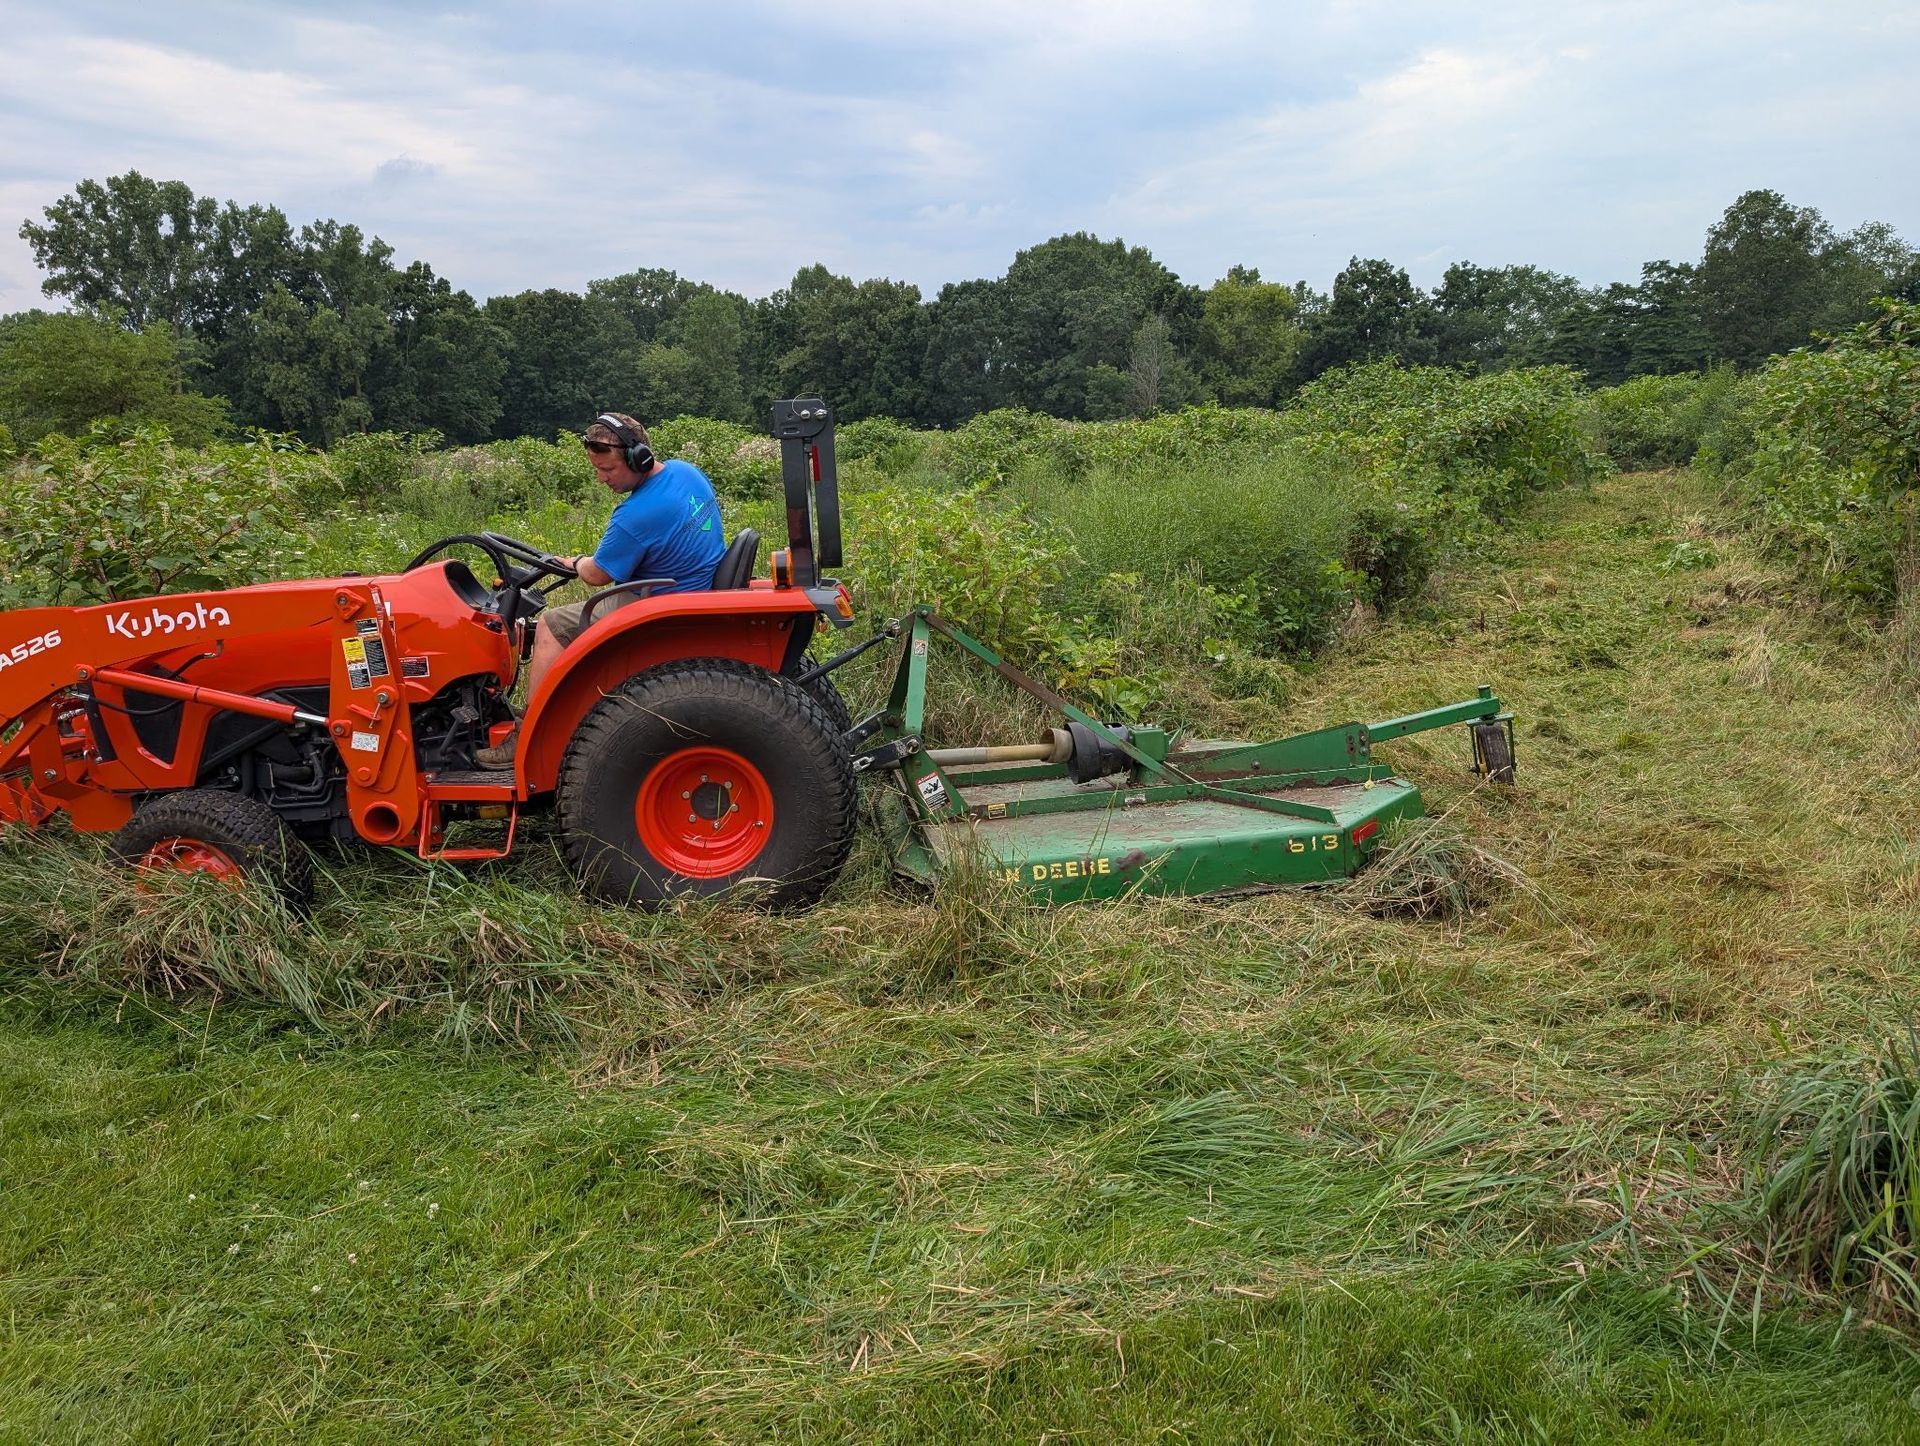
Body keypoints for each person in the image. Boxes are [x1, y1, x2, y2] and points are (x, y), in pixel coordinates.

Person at [475, 412, 726, 768]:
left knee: (550, 625)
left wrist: (576, 562)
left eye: (608, 470)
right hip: (687, 587)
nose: (601, 478)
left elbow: (596, 575)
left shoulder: (636, 514)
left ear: (639, 457)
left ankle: (528, 734)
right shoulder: (686, 472)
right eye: (597, 469)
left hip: (659, 602)